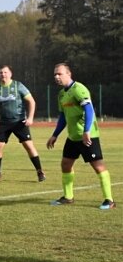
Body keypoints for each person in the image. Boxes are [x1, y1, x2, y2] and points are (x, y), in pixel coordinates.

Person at [47, 63, 115, 209]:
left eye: (60, 74)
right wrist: (55, 135)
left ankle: (109, 200)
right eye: (55, 75)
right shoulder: (61, 94)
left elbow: (89, 110)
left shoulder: (79, 89)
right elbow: (63, 117)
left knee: (98, 166)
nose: (57, 77)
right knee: (65, 164)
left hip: (88, 136)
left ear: (69, 74)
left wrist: (87, 131)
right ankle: (68, 197)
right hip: (73, 137)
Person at [0, 65, 45, 182]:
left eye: (5, 72)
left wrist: (30, 118)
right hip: (4, 123)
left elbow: (31, 101)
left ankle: (40, 172)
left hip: (19, 122)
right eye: (0, 72)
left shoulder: (18, 86)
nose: (3, 74)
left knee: (28, 146)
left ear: (10, 74)